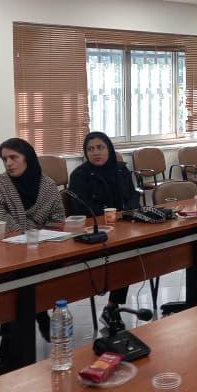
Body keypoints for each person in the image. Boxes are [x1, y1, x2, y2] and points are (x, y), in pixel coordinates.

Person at [0, 137, 66, 378]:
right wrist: (37, 230)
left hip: (41, 253)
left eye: (13, 157)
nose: (8, 163)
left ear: (28, 158)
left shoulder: (47, 185)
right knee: (22, 285)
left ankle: (7, 358)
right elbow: (4, 227)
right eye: (4, 159)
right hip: (1, 253)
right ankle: (39, 317)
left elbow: (58, 220)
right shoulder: (0, 185)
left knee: (27, 284)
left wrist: (38, 233)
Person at [68, 132, 137, 329]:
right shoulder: (79, 175)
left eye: (100, 147)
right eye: (90, 149)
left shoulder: (121, 170)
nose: (96, 152)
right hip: (94, 231)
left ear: (109, 149)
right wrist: (108, 217)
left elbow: (133, 196)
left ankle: (112, 306)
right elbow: (80, 207)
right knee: (120, 254)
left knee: (129, 254)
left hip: (123, 227)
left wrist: (127, 212)